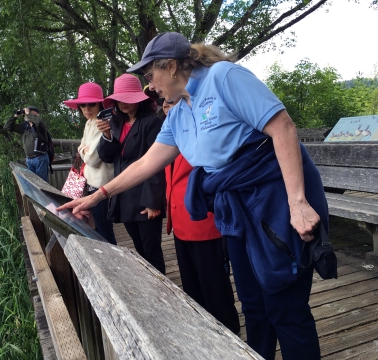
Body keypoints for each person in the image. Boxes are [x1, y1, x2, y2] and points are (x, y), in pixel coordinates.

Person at [57, 33, 329, 360]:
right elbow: (146, 163)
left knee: (285, 307)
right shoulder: (180, 110)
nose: (149, 85)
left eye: (150, 75)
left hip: (274, 200)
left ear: (171, 67)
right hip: (237, 212)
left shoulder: (223, 78)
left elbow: (283, 127)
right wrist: (98, 195)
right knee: (254, 305)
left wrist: (297, 203)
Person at [162, 100, 240, 334]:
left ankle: (229, 332)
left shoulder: (201, 130)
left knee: (214, 283)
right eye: (164, 103)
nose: (166, 106)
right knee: (191, 284)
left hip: (204, 221)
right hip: (180, 222)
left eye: (171, 102)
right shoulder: (169, 134)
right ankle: (203, 330)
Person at [96, 74, 167, 275]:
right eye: (120, 99)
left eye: (129, 98)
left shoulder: (152, 122)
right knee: (139, 249)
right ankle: (149, 290)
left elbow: (156, 162)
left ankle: (163, 292)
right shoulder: (115, 123)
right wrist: (107, 136)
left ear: (139, 99)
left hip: (144, 195)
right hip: (124, 194)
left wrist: (153, 201)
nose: (123, 103)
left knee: (152, 251)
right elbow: (107, 157)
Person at [63, 82, 117, 245]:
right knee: (97, 228)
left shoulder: (102, 123)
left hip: (101, 185)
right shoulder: (90, 122)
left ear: (100, 103)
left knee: (103, 231)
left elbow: (92, 159)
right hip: (92, 184)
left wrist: (84, 150)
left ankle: (113, 264)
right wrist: (84, 149)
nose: (86, 108)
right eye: (82, 105)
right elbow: (83, 148)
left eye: (91, 104)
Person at [4, 106, 50, 182]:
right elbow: (7, 127)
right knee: (33, 184)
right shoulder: (25, 126)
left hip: (40, 158)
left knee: (42, 183)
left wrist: (28, 113)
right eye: (25, 113)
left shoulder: (40, 124)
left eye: (28, 112)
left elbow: (37, 121)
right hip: (29, 159)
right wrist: (15, 116)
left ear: (35, 114)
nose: (26, 115)